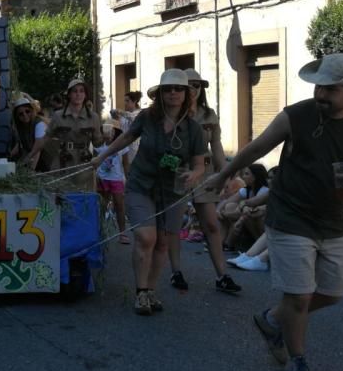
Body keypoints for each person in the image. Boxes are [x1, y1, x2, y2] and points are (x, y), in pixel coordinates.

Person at [210, 53, 343, 371]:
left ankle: (272, 319)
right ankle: (297, 360)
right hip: (290, 215)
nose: (320, 94)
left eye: (330, 89)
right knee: (299, 297)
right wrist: (223, 175)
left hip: (334, 220)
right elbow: (256, 148)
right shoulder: (296, 115)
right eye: (319, 86)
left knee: (333, 294)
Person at [89, 69, 206, 315]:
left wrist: (194, 175)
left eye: (178, 89)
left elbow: (199, 164)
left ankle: (151, 291)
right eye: (168, 89)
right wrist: (103, 156)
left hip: (172, 191)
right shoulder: (147, 117)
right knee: (146, 237)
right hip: (141, 185)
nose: (173, 93)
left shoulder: (194, 130)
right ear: (160, 94)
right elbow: (128, 137)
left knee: (163, 243)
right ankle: (141, 292)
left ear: (187, 94)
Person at [164, 69, 240, 293]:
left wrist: (225, 173)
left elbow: (216, 146)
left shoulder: (209, 114)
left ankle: (222, 275)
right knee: (174, 225)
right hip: (178, 173)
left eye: (198, 85)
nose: (194, 90)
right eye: (189, 85)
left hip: (205, 174)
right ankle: (176, 272)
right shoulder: (171, 113)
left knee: (211, 225)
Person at [47, 78, 103, 192]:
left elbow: (97, 143)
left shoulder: (93, 117)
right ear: (69, 94)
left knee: (84, 197)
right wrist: (31, 155)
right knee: (61, 196)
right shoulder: (58, 116)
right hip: (63, 161)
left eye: (82, 91)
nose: (78, 94)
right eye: (75, 91)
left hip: (84, 163)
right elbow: (45, 138)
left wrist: (106, 138)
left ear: (85, 94)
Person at [219, 164, 270, 251]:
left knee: (246, 213)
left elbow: (251, 210)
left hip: (258, 221)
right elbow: (227, 201)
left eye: (247, 174)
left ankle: (229, 243)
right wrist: (219, 210)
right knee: (229, 206)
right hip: (244, 218)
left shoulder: (264, 191)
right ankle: (222, 242)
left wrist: (225, 213)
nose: (243, 176)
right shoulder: (246, 190)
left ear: (255, 177)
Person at [96, 119, 130, 244]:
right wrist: (95, 176)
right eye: (106, 128)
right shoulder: (99, 145)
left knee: (119, 205)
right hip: (102, 178)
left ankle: (122, 233)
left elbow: (126, 164)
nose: (109, 131)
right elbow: (94, 162)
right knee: (102, 205)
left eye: (111, 129)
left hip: (116, 178)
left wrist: (128, 179)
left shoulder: (122, 146)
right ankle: (100, 231)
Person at [9, 97, 48, 171]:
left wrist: (30, 170)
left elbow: (37, 149)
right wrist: (9, 156)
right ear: (17, 117)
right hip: (34, 160)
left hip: (45, 161)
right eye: (21, 114)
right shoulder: (22, 127)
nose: (25, 115)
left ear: (32, 110)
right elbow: (20, 144)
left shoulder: (39, 124)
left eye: (27, 111)